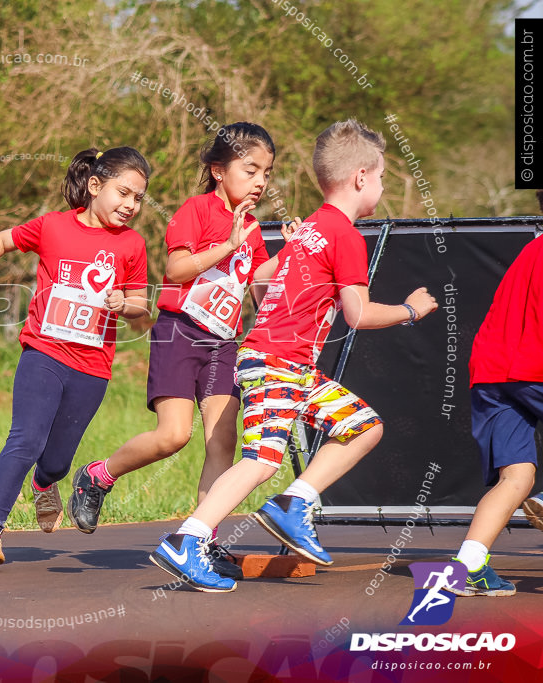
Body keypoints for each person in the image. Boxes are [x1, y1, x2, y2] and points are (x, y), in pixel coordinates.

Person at [149, 119, 438, 592]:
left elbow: (264, 285)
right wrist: (410, 309)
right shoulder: (343, 235)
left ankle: (293, 502)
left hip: (291, 366)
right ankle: (188, 539)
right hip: (276, 363)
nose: (382, 187)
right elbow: (358, 313)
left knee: (363, 426)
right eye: (383, 177)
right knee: (261, 460)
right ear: (361, 177)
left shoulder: (310, 230)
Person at [66, 123, 296, 580]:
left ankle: (199, 539)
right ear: (217, 171)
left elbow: (255, 287)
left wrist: (291, 252)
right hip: (180, 332)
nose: (260, 181)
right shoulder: (198, 210)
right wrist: (228, 244)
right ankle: (97, 474)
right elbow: (176, 267)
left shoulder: (251, 228)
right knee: (174, 437)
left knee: (223, 441)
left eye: (266, 173)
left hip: (223, 341)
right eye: (250, 170)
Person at [0, 147, 152, 569]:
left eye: (139, 198)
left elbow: (142, 315)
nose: (130, 205)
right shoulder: (54, 227)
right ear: (95, 186)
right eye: (123, 193)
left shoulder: (132, 245)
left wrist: (124, 305)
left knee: (56, 461)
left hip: (92, 368)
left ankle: (44, 484)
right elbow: (0, 240)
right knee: (25, 439)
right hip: (44, 352)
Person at [444, 232, 543, 596]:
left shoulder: (530, 250)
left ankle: (468, 567)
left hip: (490, 373)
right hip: (532, 366)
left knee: (517, 478)